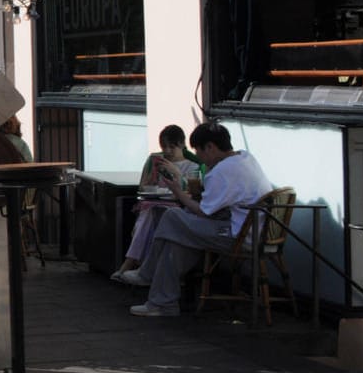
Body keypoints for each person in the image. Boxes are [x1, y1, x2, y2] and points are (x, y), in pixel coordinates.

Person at [126, 122, 274, 317]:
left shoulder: (222, 171)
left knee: (171, 216)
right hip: (253, 229)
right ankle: (162, 302)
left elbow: (204, 212)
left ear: (210, 147)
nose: (200, 158)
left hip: (238, 236)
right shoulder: (245, 158)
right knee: (176, 239)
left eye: (199, 151)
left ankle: (149, 278)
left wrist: (178, 192)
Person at [113, 125, 194, 282]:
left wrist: (176, 173)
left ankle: (130, 265)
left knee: (151, 216)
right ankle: (145, 271)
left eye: (172, 147)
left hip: (176, 207)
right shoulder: (155, 161)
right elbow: (143, 187)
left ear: (182, 144)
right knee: (150, 214)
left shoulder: (193, 166)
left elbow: (191, 192)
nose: (168, 151)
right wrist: (152, 178)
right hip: (152, 204)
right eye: (164, 147)